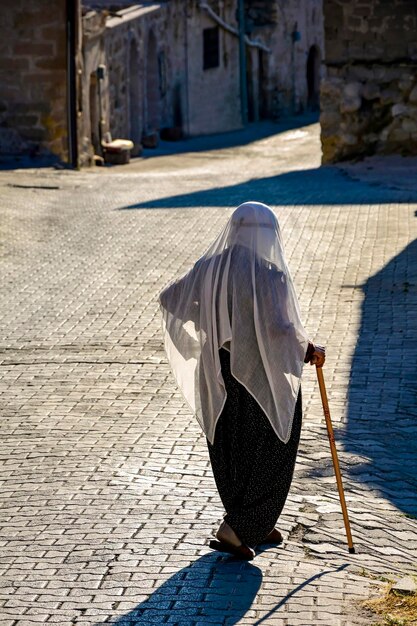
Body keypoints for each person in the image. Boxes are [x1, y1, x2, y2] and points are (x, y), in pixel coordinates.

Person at [159, 201, 325, 560]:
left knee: (232, 446)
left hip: (218, 371)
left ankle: (256, 523)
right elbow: (279, 330)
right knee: (276, 442)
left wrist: (203, 327)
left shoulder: (210, 268)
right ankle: (236, 528)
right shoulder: (269, 274)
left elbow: (170, 299)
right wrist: (309, 349)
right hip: (257, 376)